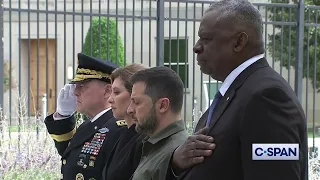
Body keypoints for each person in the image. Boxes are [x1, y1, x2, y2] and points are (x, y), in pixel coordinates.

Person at [169, 0, 307, 180]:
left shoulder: (267, 98)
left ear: (239, 42)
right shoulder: (237, 91)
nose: (196, 47)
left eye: (206, 39)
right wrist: (178, 161)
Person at [44, 53, 127, 180]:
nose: (75, 92)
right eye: (75, 86)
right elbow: (71, 155)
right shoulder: (89, 125)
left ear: (107, 91)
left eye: (82, 86)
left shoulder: (119, 129)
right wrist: (62, 116)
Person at [127, 66, 189, 180]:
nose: (129, 109)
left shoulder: (179, 153)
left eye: (136, 102)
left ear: (162, 105)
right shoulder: (155, 145)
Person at [102, 63, 148, 180]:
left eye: (117, 92)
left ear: (135, 94)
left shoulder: (144, 140)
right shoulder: (124, 134)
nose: (110, 99)